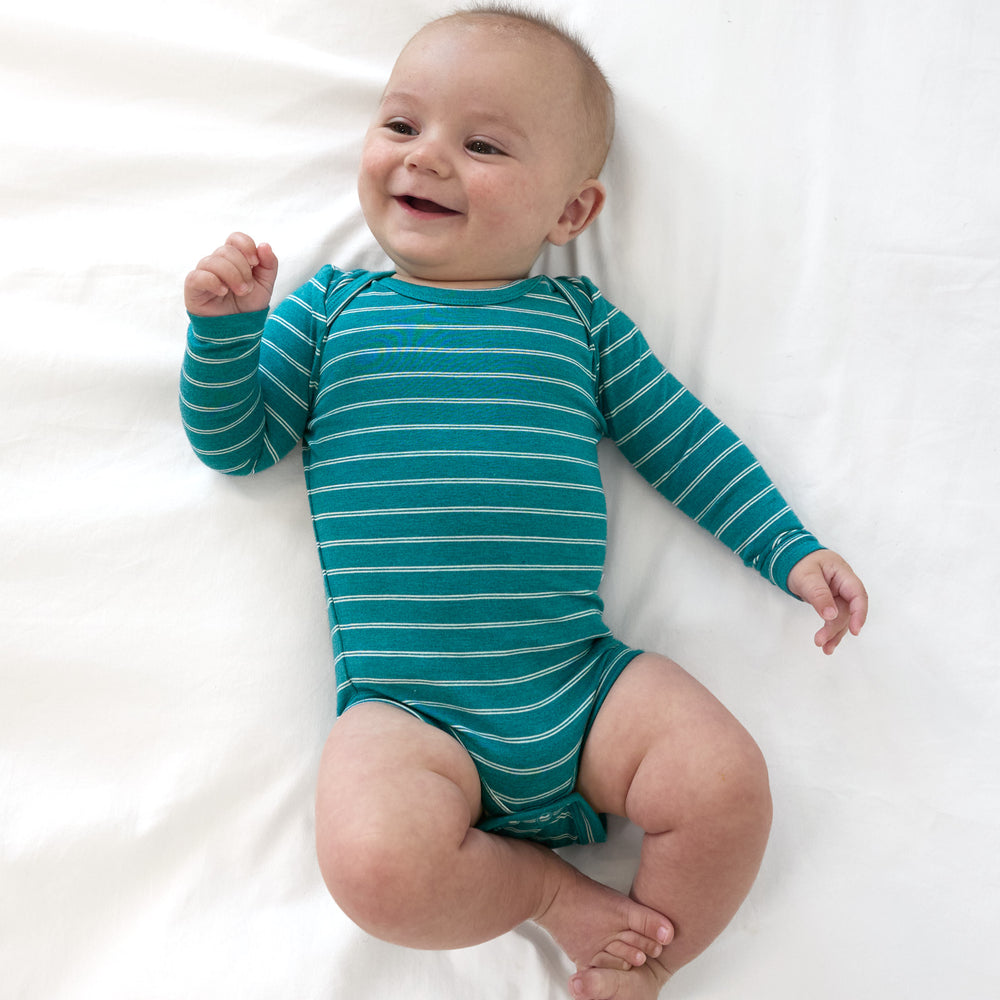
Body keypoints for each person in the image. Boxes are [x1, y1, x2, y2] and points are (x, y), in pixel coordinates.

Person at [180, 5, 868, 998]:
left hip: (580, 685)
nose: (429, 159)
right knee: (374, 867)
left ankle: (644, 964)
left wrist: (789, 551)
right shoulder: (331, 309)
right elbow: (236, 443)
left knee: (722, 782)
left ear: (570, 215)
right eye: (402, 126)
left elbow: (683, 445)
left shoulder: (579, 325)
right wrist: (224, 337)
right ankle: (553, 899)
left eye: (484, 143)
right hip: (406, 711)